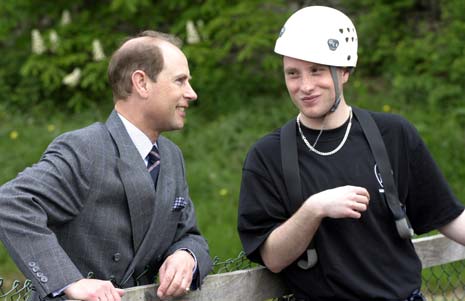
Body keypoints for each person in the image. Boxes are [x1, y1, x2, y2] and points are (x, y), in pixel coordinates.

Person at [237, 6, 465, 300]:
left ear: (344, 71)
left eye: (316, 71)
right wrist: (313, 209)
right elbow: (273, 257)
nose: (304, 86)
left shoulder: (393, 134)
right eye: (293, 74)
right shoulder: (267, 156)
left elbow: (447, 215)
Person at [0, 30, 212, 301]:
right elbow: (10, 202)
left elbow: (189, 234)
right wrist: (69, 281)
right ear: (142, 83)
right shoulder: (84, 149)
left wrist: (186, 256)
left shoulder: (172, 157)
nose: (191, 94)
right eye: (180, 81)